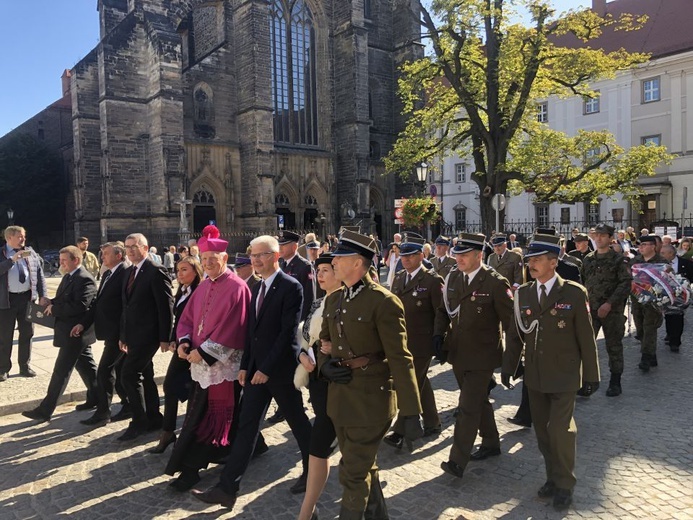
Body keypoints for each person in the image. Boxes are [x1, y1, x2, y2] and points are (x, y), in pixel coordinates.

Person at [192, 235, 312, 509]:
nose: (257, 260)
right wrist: (246, 366)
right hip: (257, 371)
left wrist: (266, 370)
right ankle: (227, 488)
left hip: (279, 371)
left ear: (276, 256)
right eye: (253, 255)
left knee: (298, 422)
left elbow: (286, 335)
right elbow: (251, 333)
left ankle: (312, 470)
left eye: (263, 255)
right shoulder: (256, 288)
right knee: (246, 427)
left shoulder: (290, 286)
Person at [317, 230, 422, 519]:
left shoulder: (383, 302)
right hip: (341, 399)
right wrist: (324, 364)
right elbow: (324, 342)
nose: (334, 261)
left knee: (351, 473)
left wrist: (411, 411)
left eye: (340, 257)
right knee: (362, 465)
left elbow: (401, 357)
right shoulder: (334, 299)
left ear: (358, 262)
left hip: (371, 401)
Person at [502, 233, 600, 512]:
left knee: (560, 431)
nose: (530, 264)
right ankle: (552, 478)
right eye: (529, 259)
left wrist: (591, 375)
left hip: (565, 375)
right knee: (544, 435)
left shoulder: (573, 292)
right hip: (535, 375)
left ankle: (565, 485)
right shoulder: (524, 293)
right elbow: (515, 334)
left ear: (553, 262)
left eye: (537, 260)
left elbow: (586, 337)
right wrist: (509, 368)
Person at [165, 226, 250, 491]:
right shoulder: (203, 286)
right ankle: (252, 445)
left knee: (208, 418)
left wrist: (201, 352)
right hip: (198, 360)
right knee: (209, 413)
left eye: (213, 259)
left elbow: (233, 328)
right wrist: (185, 341)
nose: (208, 264)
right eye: (204, 260)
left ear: (225, 259)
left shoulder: (237, 287)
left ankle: (190, 469)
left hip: (220, 364)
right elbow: (187, 319)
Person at [433, 232, 514, 479]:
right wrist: (438, 336)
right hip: (458, 352)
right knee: (477, 401)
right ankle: (491, 443)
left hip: (483, 354)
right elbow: (443, 310)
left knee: (467, 407)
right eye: (457, 254)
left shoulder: (495, 283)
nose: (458, 258)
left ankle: (458, 460)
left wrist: (514, 360)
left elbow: (511, 324)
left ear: (479, 255)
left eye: (464, 255)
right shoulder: (453, 277)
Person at [22, 246, 98, 422]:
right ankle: (97, 397)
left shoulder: (84, 279)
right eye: (60, 259)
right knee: (86, 367)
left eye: (64, 260)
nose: (60, 263)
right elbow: (65, 299)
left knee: (61, 371)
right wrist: (51, 301)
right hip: (68, 330)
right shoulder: (69, 276)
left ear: (76, 260)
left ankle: (45, 410)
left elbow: (81, 305)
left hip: (75, 332)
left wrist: (54, 309)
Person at [384, 234, 443, 450]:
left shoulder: (432, 280)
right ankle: (432, 422)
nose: (405, 260)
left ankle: (401, 430)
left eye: (410, 256)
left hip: (422, 343)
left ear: (421, 256)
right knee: (421, 382)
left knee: (410, 385)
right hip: (402, 342)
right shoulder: (399, 278)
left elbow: (440, 313)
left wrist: (439, 338)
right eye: (403, 256)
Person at [296, 253, 341, 520]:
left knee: (322, 445)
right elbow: (303, 339)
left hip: (338, 385)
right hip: (317, 383)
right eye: (319, 270)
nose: (321, 275)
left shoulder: (347, 303)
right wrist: (301, 354)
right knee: (331, 447)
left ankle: (306, 512)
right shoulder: (318, 302)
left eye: (327, 270)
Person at [118, 233, 174, 441]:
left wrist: (165, 337)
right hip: (132, 334)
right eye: (127, 247)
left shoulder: (155, 271)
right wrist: (123, 335)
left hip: (149, 334)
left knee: (128, 375)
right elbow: (126, 307)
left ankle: (139, 421)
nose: (130, 250)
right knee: (146, 376)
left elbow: (165, 306)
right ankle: (153, 417)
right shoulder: (129, 270)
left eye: (134, 246)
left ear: (145, 247)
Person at [150, 256, 203, 454]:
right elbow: (179, 319)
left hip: (193, 349)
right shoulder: (182, 290)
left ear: (195, 271)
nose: (179, 274)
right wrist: (173, 338)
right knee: (172, 387)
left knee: (185, 389)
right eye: (178, 270)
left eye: (184, 270)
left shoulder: (199, 291)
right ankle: (168, 431)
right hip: (182, 346)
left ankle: (182, 433)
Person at [75, 242, 131, 426]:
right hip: (109, 331)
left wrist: (124, 334)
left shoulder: (125, 273)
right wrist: (83, 324)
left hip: (118, 333)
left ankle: (103, 412)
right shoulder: (108, 273)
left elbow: (126, 307)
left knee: (104, 372)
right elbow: (98, 303)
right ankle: (129, 404)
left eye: (106, 254)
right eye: (102, 253)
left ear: (118, 255)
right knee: (121, 371)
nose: (102, 257)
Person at [581, 224, 632, 397]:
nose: (599, 238)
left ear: (611, 238)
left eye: (603, 235)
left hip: (612, 312)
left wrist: (609, 304)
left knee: (614, 347)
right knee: (586, 346)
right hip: (591, 311)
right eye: (597, 235)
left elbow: (625, 284)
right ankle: (588, 382)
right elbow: (583, 282)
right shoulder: (588, 259)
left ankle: (615, 382)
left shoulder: (619, 260)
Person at [0, 225, 47, 381]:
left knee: (27, 333)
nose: (23, 239)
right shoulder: (2, 253)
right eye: (20, 236)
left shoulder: (31, 252)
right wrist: (12, 260)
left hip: (27, 298)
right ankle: (3, 368)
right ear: (9, 238)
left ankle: (25, 365)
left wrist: (43, 295)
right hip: (6, 300)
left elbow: (39, 274)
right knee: (5, 336)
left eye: (24, 236)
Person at [630, 235, 666, 372]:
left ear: (653, 246)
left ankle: (645, 358)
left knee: (649, 327)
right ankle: (652, 354)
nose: (641, 247)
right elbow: (627, 275)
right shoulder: (635, 260)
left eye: (644, 245)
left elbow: (667, 281)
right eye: (640, 245)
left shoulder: (661, 261)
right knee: (640, 328)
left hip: (653, 301)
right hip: (637, 299)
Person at [660, 244, 693, 352]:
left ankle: (675, 342)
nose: (661, 255)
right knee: (669, 316)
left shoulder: (685, 263)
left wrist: (685, 286)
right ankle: (670, 335)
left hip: (680, 296)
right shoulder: (659, 263)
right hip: (665, 295)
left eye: (663, 253)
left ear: (671, 253)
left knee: (678, 317)